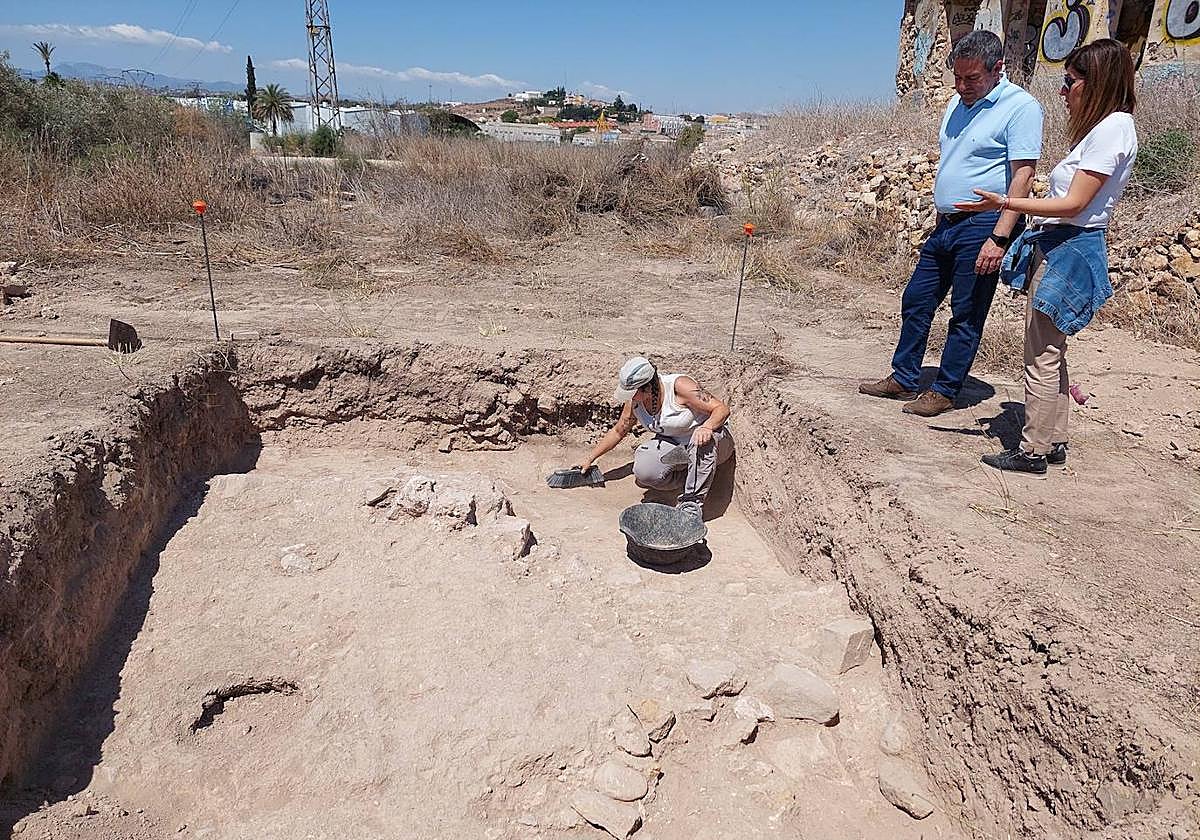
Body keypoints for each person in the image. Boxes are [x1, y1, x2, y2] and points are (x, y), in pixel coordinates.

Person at [954, 38, 1138, 475]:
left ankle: (1033, 449)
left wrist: (1006, 203)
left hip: (1069, 247)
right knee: (1052, 348)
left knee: (1040, 354)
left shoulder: (1112, 129)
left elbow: (1074, 204)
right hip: (1065, 244)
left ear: (1097, 82)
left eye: (1070, 81)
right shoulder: (1109, 128)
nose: (1063, 90)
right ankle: (1053, 439)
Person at [860, 30, 1043, 417]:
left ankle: (945, 389)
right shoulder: (956, 104)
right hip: (946, 224)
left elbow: (1023, 176)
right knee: (916, 299)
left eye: (971, 78)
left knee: (966, 311)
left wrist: (999, 238)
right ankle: (904, 376)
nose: (961, 86)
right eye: (957, 77)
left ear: (997, 68)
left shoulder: (1020, 107)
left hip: (984, 225)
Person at [580, 356, 734, 518]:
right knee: (645, 471)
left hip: (715, 442)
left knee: (700, 440)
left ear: (647, 387)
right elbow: (619, 431)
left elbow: (721, 409)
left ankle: (691, 505)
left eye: (633, 393)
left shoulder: (680, 387)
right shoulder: (634, 401)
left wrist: (707, 427)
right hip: (679, 446)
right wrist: (590, 459)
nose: (630, 397)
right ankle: (696, 478)